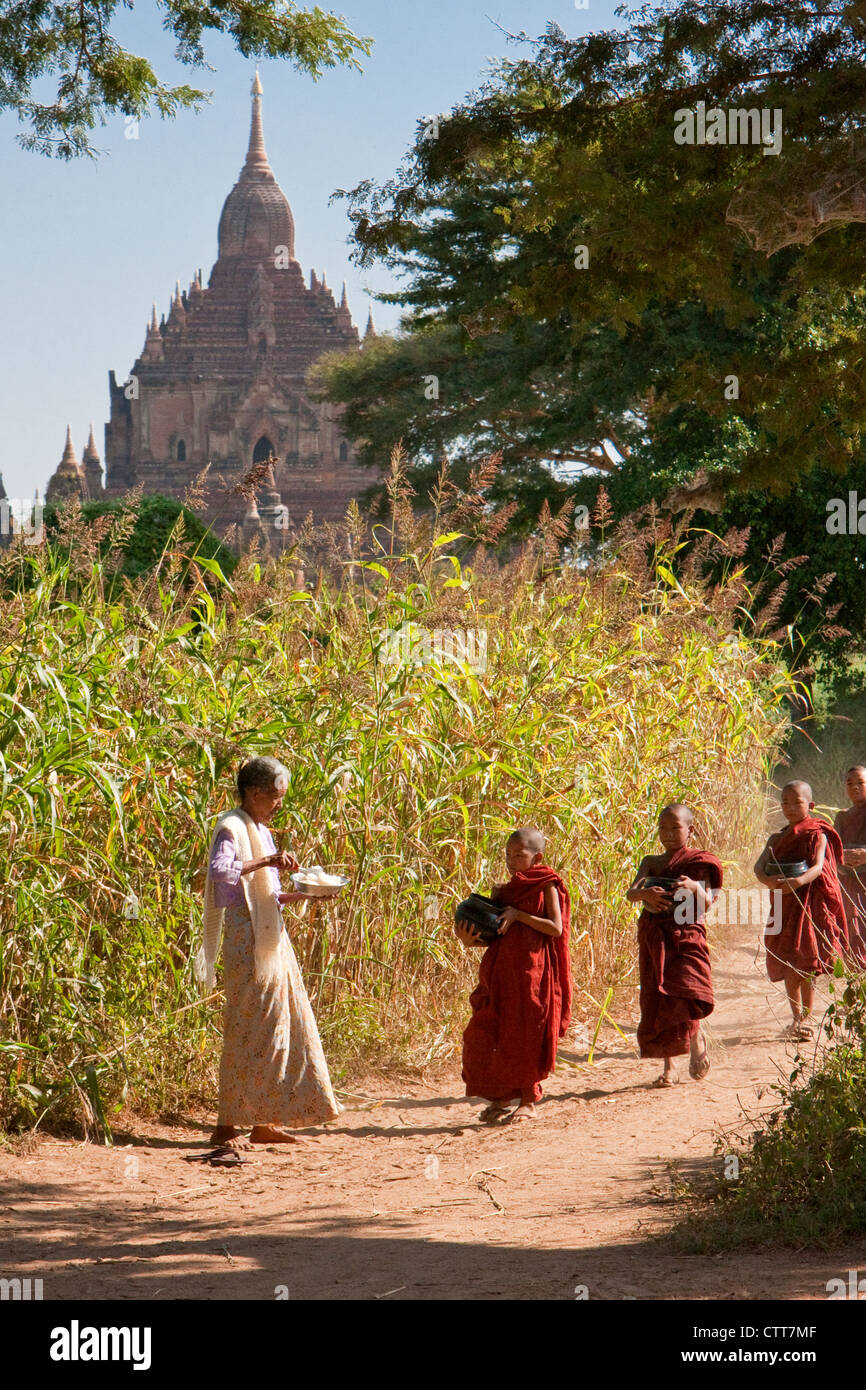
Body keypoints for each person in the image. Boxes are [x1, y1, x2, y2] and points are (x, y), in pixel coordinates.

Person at [196, 755, 341, 1152]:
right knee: (248, 1029)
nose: (280, 803)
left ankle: (265, 1119)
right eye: (276, 796)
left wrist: (305, 894)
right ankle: (227, 1125)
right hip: (246, 942)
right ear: (255, 793)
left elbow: (268, 894)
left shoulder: (259, 828)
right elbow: (221, 872)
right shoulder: (232, 827)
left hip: (269, 936)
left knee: (278, 1026)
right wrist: (267, 859)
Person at [457, 827, 572, 1125]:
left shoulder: (546, 884)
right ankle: (500, 1096)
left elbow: (555, 928)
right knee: (487, 1031)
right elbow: (497, 935)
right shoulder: (505, 891)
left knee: (526, 1034)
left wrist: (519, 915)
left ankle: (528, 1099)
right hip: (500, 972)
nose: (511, 861)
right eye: (508, 855)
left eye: (518, 855)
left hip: (533, 972)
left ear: (537, 857)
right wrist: (471, 940)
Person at [627, 804, 719, 1087]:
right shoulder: (651, 861)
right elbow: (631, 893)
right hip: (655, 935)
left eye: (675, 828)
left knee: (686, 991)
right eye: (662, 828)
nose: (667, 834)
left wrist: (694, 887)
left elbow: (707, 902)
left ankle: (696, 1037)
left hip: (687, 934)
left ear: (691, 830)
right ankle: (669, 1067)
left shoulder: (700, 862)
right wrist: (645, 894)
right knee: (661, 996)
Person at [754, 780, 847, 1040]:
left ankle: (804, 1019)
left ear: (811, 805)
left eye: (797, 802)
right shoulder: (776, 838)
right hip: (783, 904)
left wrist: (797, 881)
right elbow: (759, 867)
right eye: (785, 802)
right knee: (788, 960)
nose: (791, 807)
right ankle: (797, 1018)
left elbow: (817, 867)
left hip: (808, 903)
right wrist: (769, 881)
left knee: (806, 962)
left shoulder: (818, 834)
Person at [833, 765, 866, 969]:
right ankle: (856, 983)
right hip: (848, 882)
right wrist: (841, 856)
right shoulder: (843, 816)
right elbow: (831, 849)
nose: (854, 787)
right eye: (850, 783)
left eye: (860, 783)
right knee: (852, 931)